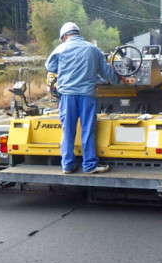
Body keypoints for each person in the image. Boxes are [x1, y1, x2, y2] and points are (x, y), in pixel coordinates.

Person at [45, 22, 120, 174]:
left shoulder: (60, 49)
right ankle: (90, 166)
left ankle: (67, 165)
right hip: (86, 95)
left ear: (64, 36)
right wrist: (119, 81)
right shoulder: (92, 49)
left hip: (67, 96)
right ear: (78, 33)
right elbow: (106, 72)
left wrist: (65, 70)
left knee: (68, 131)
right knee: (87, 129)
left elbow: (50, 67)